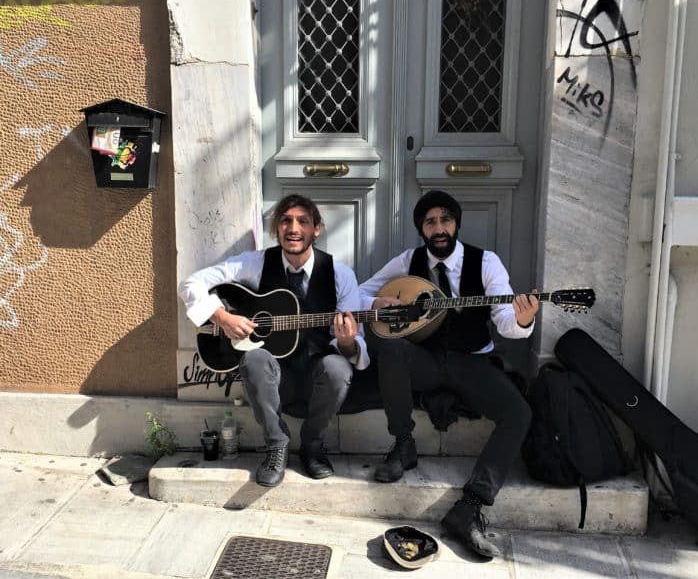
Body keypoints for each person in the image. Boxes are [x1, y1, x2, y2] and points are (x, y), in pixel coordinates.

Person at [358, 190, 537, 559]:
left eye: (445, 220)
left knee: (519, 412)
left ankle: (470, 506)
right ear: (421, 229)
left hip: (473, 362)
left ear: (455, 223)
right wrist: (377, 303)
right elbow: (356, 294)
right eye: (430, 222)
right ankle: (403, 444)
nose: (439, 228)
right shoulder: (408, 260)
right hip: (425, 359)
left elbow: (505, 319)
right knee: (389, 347)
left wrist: (522, 319)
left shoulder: (486, 262)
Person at [179, 193, 369, 487]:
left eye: (303, 222)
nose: (293, 228)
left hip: (315, 374)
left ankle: (312, 445)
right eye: (286, 221)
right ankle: (276, 446)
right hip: (273, 376)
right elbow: (191, 283)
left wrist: (347, 342)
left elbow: (357, 346)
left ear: (316, 229)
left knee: (339, 368)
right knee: (253, 358)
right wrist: (223, 318)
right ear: (276, 229)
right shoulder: (254, 264)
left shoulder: (339, 274)